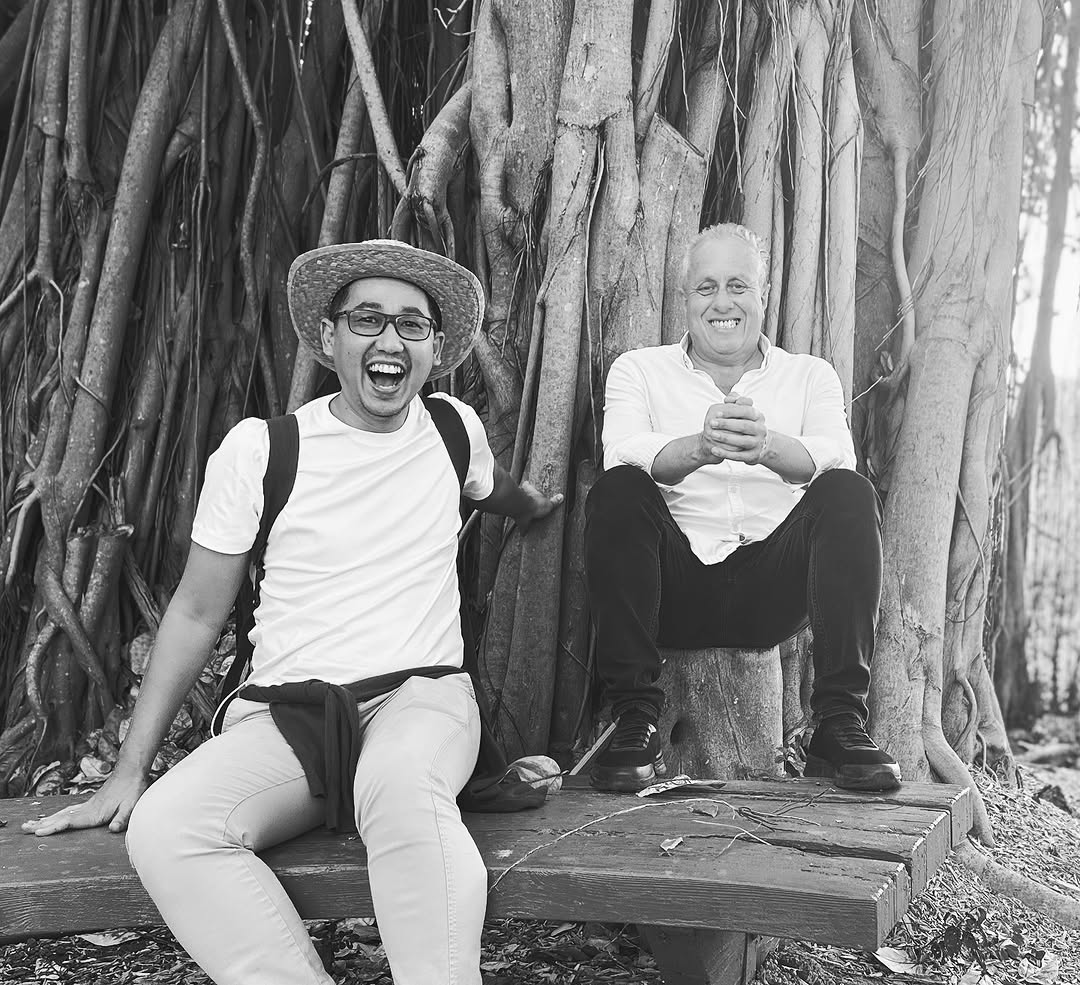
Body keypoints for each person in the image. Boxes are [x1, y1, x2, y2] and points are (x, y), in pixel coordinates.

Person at [22, 240, 563, 985]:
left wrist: (531, 504)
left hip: (421, 698)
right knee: (169, 827)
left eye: (412, 325)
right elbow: (196, 612)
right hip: (289, 716)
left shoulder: (451, 429)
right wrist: (128, 770)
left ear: (436, 351)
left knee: (403, 790)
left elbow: (489, 486)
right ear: (330, 338)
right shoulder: (263, 452)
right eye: (367, 319)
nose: (390, 339)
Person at [584, 222, 901, 794]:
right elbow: (623, 452)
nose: (722, 302)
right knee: (618, 490)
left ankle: (839, 722)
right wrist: (699, 448)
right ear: (686, 298)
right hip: (673, 588)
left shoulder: (810, 376)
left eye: (738, 285)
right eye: (706, 287)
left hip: (773, 590)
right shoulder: (639, 370)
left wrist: (767, 448)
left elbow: (836, 457)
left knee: (849, 492)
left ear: (763, 295)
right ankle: (635, 719)